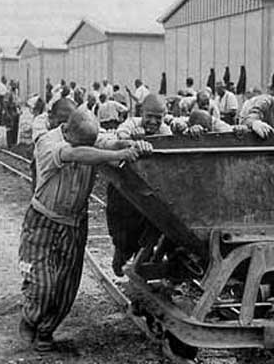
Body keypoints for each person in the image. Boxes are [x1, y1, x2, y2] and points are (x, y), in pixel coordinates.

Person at [18, 108, 152, 351]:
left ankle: (46, 333)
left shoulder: (87, 136)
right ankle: (31, 318)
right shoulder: (50, 142)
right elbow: (76, 153)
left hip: (74, 223)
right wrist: (120, 153)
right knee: (43, 283)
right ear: (67, 130)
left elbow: (107, 142)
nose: (91, 144)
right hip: (43, 221)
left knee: (66, 287)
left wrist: (130, 144)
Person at [107, 94, 172, 276]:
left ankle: (143, 254)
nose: (152, 121)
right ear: (141, 112)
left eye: (157, 118)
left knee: (153, 222)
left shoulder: (165, 131)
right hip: (127, 190)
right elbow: (121, 134)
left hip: (153, 189)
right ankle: (122, 250)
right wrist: (133, 139)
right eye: (149, 116)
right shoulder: (131, 124)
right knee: (122, 225)